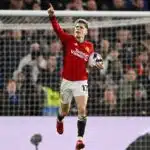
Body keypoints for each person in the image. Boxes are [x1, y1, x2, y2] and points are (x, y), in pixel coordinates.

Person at [48, 3, 103, 149]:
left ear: (86, 31)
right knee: (64, 110)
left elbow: (93, 61)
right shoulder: (68, 40)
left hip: (81, 82)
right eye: (76, 27)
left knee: (82, 109)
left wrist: (98, 65)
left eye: (81, 27)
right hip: (66, 81)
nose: (77, 29)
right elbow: (57, 29)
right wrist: (52, 17)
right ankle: (59, 120)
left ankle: (79, 139)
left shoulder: (90, 46)